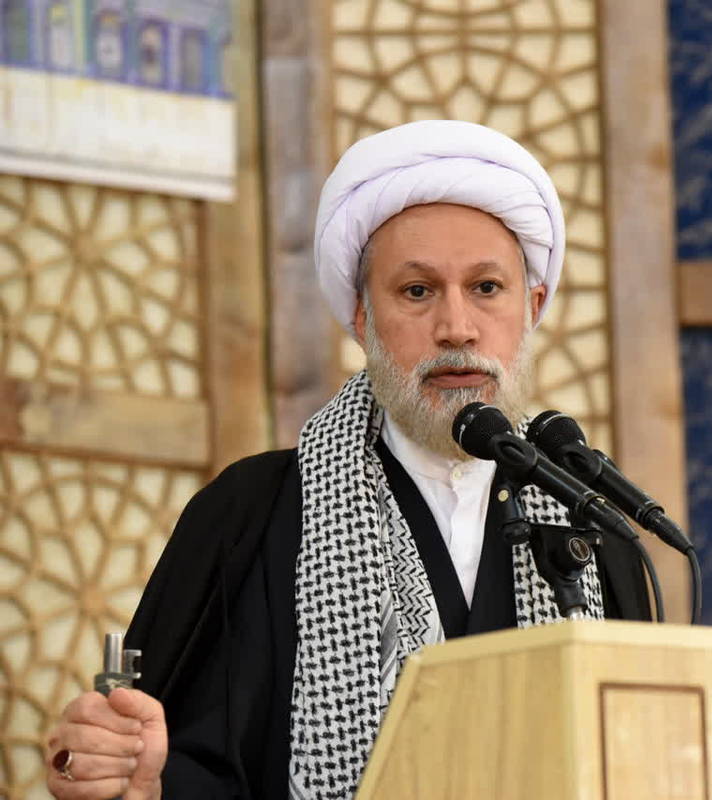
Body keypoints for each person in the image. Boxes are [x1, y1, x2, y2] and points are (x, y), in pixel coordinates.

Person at [43, 120, 651, 799]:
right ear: (362, 319)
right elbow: (189, 765)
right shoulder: (255, 514)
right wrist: (145, 780)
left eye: (486, 288)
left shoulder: (590, 525)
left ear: (531, 307)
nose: (457, 327)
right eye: (417, 291)